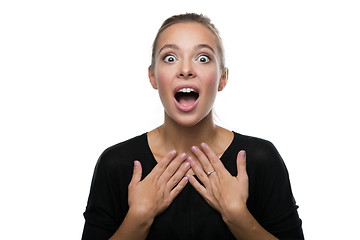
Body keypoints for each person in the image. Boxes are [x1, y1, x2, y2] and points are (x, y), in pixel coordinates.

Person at [81, 13, 304, 240]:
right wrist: (138, 218)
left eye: (203, 58)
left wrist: (238, 216)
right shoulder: (116, 164)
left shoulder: (259, 160)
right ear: (152, 77)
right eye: (170, 58)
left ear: (223, 78)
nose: (186, 69)